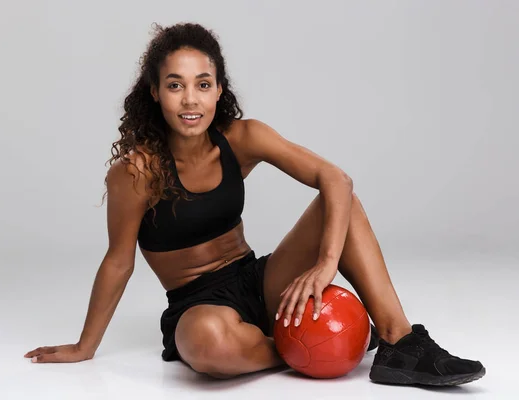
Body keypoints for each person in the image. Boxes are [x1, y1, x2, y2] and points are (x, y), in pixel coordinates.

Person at [24, 22, 486, 386]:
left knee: (339, 202)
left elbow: (336, 180)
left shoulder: (243, 138)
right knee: (206, 344)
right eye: (175, 85)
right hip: (199, 306)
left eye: (203, 84)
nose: (190, 99)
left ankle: (398, 340)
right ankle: (313, 343)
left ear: (219, 89)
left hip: (262, 282)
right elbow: (117, 261)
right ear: (154, 92)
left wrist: (326, 265)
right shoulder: (137, 172)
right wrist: (86, 346)